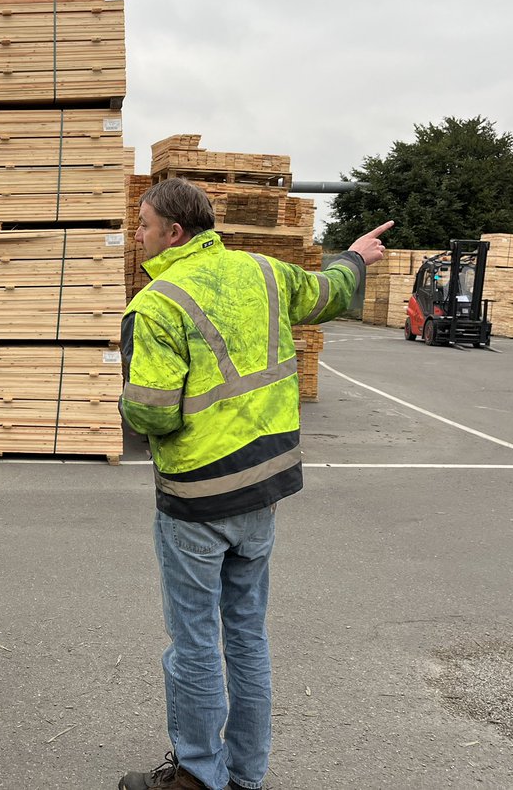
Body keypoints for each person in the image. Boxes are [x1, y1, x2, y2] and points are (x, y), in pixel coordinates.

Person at [116, 179, 391, 790]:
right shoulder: (265, 274)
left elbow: (153, 413)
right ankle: (246, 774)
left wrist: (125, 406)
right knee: (246, 633)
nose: (137, 235)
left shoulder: (158, 304)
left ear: (173, 233)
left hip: (198, 498)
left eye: (143, 225)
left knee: (193, 643)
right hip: (263, 490)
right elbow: (331, 292)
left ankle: (197, 775)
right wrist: (354, 256)